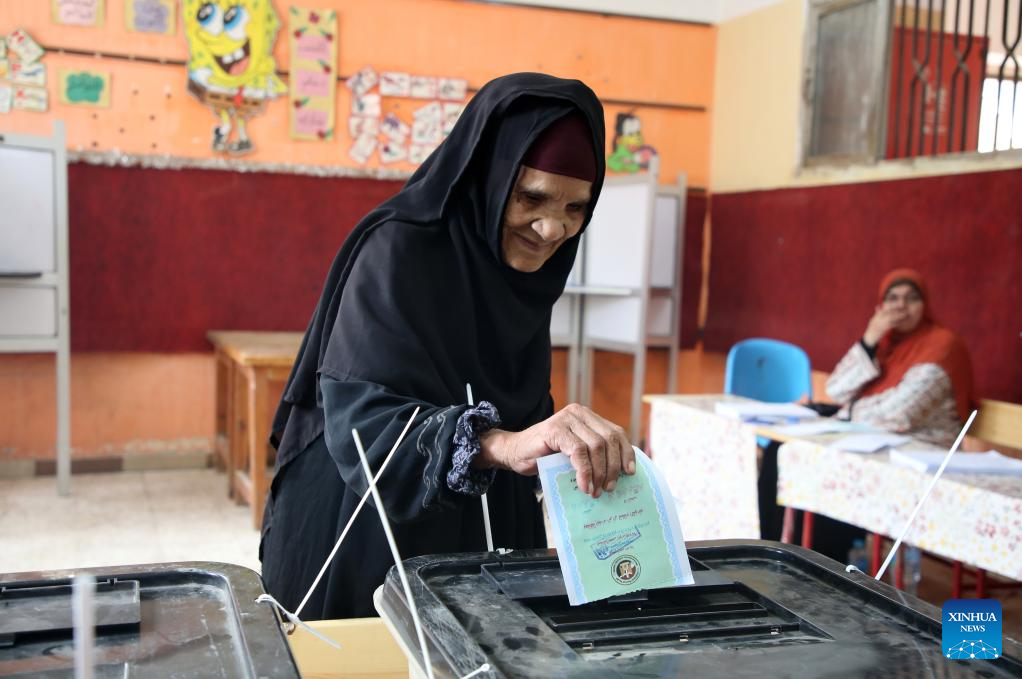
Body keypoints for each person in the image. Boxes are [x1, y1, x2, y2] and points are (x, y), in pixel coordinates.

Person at [259, 73, 634, 620]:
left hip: (481, 516)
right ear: (490, 176)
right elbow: (362, 422)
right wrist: (501, 444)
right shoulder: (400, 249)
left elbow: (515, 398)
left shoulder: (524, 270)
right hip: (364, 516)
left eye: (577, 209)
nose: (552, 229)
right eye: (531, 197)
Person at [827, 268, 974, 447]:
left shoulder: (942, 345)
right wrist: (869, 340)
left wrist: (849, 410)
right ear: (881, 306)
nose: (901, 305)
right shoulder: (884, 345)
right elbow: (835, 391)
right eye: (892, 298)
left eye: (912, 298)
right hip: (876, 441)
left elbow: (899, 414)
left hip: (925, 450)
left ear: (924, 306)